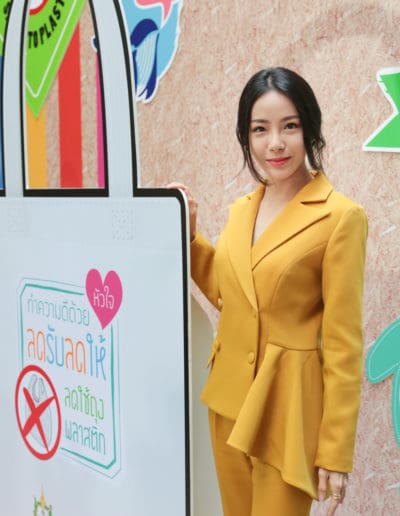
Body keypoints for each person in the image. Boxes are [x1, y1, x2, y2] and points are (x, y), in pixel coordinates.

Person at [170, 67, 367, 516]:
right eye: (260, 130)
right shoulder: (242, 209)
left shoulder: (341, 217)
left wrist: (335, 453)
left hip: (287, 412)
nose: (275, 143)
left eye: (289, 126)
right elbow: (231, 293)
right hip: (227, 402)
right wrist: (190, 237)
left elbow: (344, 345)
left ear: (309, 129)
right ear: (247, 137)